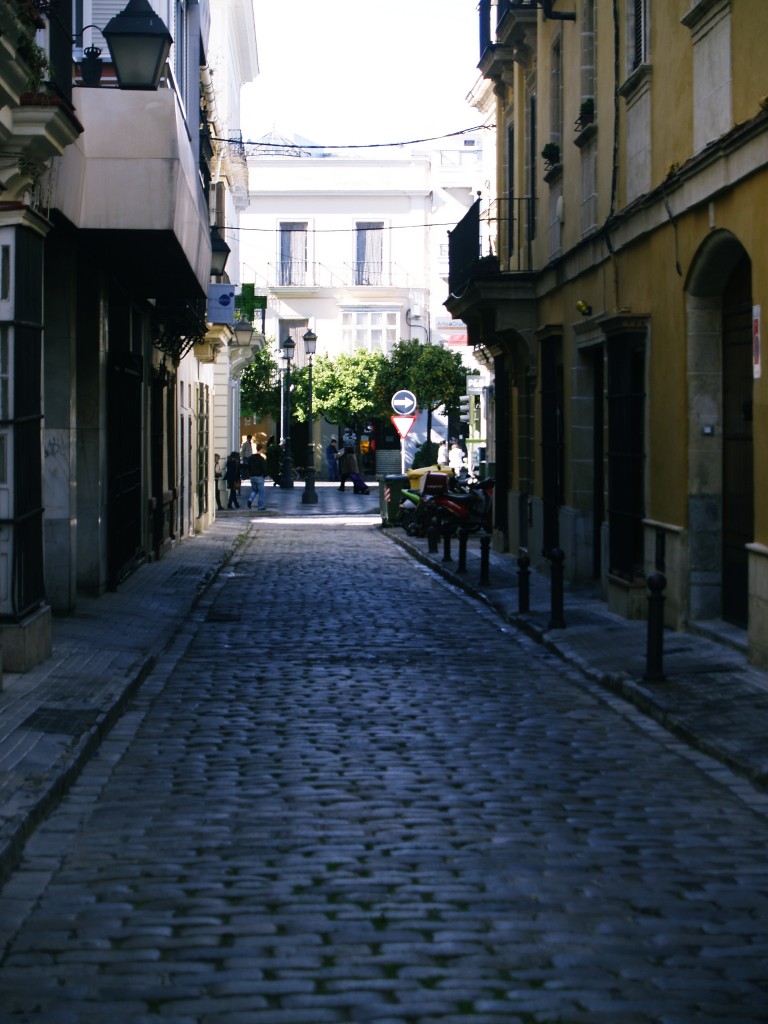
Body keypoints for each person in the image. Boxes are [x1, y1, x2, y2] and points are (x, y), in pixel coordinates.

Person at [246, 443, 267, 511]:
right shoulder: (261, 459)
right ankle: (260, 506)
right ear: (261, 449)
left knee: (254, 490)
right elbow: (264, 468)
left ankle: (250, 499)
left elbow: (248, 466)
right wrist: (265, 474)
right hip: (259, 476)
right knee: (261, 492)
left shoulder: (251, 458)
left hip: (252, 476)